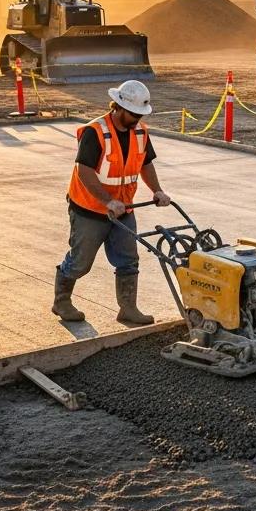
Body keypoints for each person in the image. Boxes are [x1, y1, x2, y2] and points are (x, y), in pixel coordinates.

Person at [53, 80, 171, 326]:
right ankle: (62, 302)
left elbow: (146, 163)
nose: (137, 119)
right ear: (118, 107)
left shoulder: (140, 132)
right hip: (89, 210)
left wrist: (157, 190)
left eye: (140, 114)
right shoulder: (95, 132)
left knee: (128, 261)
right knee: (80, 263)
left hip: (124, 209)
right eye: (133, 114)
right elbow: (84, 171)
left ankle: (128, 308)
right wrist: (107, 201)